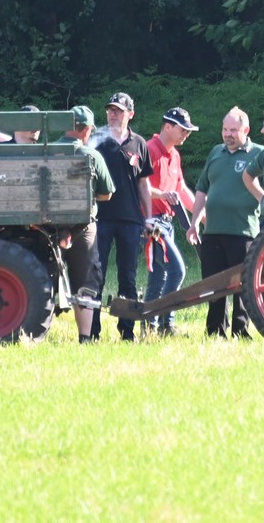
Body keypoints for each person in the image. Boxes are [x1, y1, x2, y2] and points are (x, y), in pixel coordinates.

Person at [189, 107, 264, 338]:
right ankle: (215, 331)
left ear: (246, 130)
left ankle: (241, 331)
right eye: (225, 129)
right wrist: (194, 222)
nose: (227, 134)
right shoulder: (216, 152)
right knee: (213, 284)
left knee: (242, 284)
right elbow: (202, 189)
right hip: (213, 230)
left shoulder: (260, 154)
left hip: (243, 230)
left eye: (233, 130)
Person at [90, 91, 153, 340]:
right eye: (110, 110)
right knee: (97, 274)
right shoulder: (96, 140)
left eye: (118, 110)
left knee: (128, 276)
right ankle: (92, 331)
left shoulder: (139, 143)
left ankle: (127, 331)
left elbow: (143, 184)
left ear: (130, 114)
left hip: (130, 219)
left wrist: (149, 218)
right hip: (101, 217)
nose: (113, 114)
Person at [54, 106, 115, 342]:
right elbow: (107, 193)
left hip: (47, 226)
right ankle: (85, 337)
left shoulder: (46, 151)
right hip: (82, 226)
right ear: (87, 130)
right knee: (86, 281)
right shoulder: (92, 156)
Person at [142, 107, 198, 334]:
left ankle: (150, 326)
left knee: (159, 275)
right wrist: (162, 195)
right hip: (152, 223)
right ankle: (166, 322)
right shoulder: (149, 149)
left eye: (188, 130)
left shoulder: (174, 155)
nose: (187, 134)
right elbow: (141, 186)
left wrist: (201, 216)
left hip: (167, 222)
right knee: (177, 270)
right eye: (183, 129)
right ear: (167, 127)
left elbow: (181, 190)